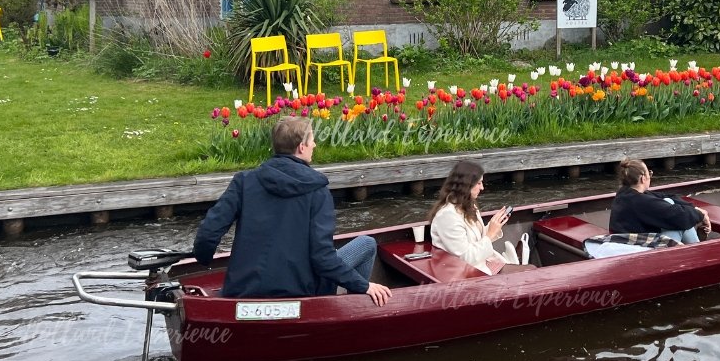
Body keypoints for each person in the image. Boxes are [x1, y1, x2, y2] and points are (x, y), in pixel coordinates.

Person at [192, 116, 392, 306]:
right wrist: (363, 285)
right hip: (301, 294)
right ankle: (355, 310)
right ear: (301, 147)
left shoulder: (244, 181)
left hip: (242, 290)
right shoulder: (318, 191)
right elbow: (322, 258)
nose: (314, 145)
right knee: (367, 243)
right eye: (312, 140)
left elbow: (208, 233)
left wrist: (203, 260)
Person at [428, 160, 533, 274]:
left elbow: (479, 239)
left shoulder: (468, 205)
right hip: (467, 273)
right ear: (466, 185)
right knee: (531, 271)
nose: (482, 188)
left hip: (481, 263)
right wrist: (490, 234)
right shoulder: (447, 216)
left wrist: (495, 225)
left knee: (530, 269)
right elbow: (467, 257)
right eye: (479, 183)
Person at [609, 159, 710, 243]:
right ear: (643, 178)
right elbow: (680, 217)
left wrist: (695, 209)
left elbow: (667, 197)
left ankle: (697, 249)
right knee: (679, 225)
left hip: (629, 243)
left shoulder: (625, 195)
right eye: (649, 173)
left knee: (668, 201)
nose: (650, 176)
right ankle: (699, 252)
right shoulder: (642, 202)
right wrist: (700, 215)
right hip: (639, 252)